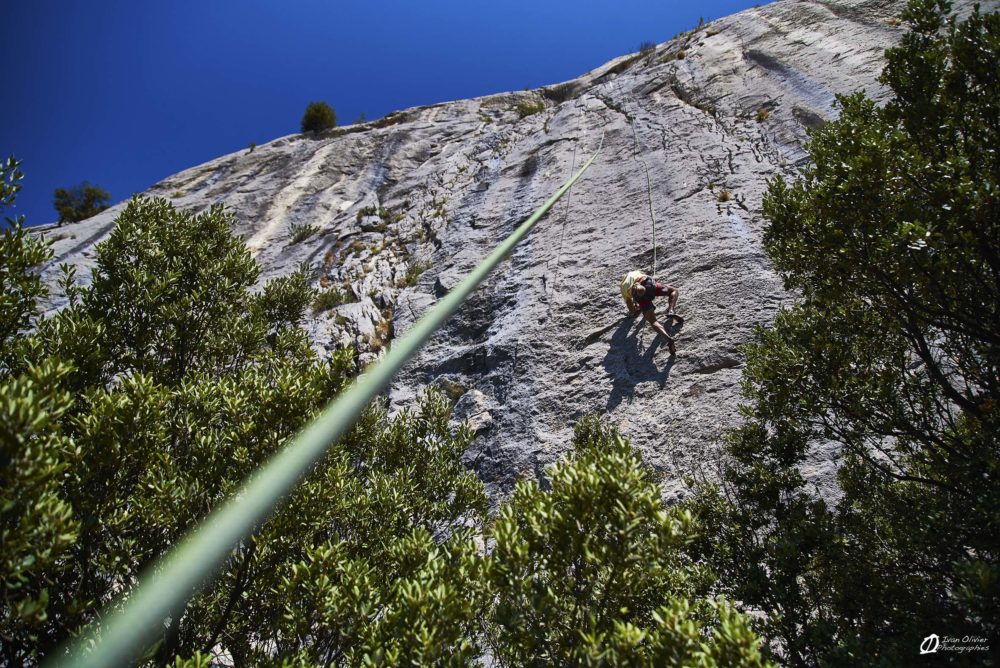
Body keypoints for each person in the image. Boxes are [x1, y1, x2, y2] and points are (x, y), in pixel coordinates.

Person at [620, 270, 681, 355]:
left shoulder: (623, 287)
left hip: (641, 298)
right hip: (649, 285)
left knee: (653, 321)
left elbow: (632, 310)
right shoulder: (636, 273)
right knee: (673, 291)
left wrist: (638, 308)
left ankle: (668, 339)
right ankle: (671, 310)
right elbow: (649, 278)